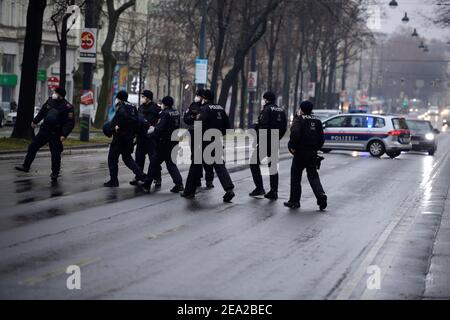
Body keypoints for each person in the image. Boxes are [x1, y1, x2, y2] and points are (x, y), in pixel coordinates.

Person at [181, 89, 235, 203]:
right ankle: (229, 189)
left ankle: (189, 191)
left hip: (204, 142)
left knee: (195, 165)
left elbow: (198, 126)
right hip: (216, 140)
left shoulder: (204, 109)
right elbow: (228, 128)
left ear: (204, 98)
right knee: (220, 166)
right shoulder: (220, 108)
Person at [15, 87, 75, 182]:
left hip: (56, 133)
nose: (53, 93)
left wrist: (64, 134)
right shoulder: (50, 101)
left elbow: (70, 123)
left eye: (55, 92)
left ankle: (55, 173)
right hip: (44, 130)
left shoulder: (68, 107)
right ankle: (26, 166)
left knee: (55, 153)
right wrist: (35, 121)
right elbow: (42, 112)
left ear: (60, 95)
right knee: (32, 147)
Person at [284, 101, 327, 210]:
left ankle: (294, 201)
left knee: (295, 176)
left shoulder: (299, 119)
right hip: (312, 153)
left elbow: (295, 134)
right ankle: (320, 195)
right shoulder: (317, 120)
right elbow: (321, 139)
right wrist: (315, 148)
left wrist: (293, 146)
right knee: (313, 175)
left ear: (301, 109)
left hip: (300, 152)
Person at [249, 91, 287, 200]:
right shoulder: (281, 110)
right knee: (273, 166)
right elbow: (284, 127)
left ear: (266, 99)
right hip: (275, 140)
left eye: (263, 99)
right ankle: (274, 191)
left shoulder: (266, 110)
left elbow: (263, 126)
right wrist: (278, 137)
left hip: (265, 140)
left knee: (253, 162)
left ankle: (259, 188)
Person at [104, 90, 146, 188]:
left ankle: (114, 181)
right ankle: (141, 175)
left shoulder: (121, 106)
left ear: (118, 98)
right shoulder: (133, 106)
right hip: (129, 137)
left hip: (119, 137)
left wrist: (114, 127)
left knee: (112, 158)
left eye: (116, 98)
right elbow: (137, 121)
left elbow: (119, 118)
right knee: (127, 158)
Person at [142, 96, 184, 193]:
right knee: (171, 164)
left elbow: (160, 128)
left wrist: (152, 135)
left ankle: (147, 184)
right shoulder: (176, 112)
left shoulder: (164, 114)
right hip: (173, 142)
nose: (161, 105)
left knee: (153, 163)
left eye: (162, 103)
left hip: (163, 143)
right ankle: (179, 184)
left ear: (165, 104)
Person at [183, 89, 215, 189]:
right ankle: (197, 179)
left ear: (203, 97)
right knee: (195, 158)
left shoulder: (208, 107)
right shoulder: (193, 105)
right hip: (194, 134)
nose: (196, 97)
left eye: (198, 95)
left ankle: (209, 180)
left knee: (207, 158)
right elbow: (186, 118)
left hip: (206, 135)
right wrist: (193, 117)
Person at [130, 90, 162, 187]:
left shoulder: (156, 108)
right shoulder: (140, 108)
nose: (142, 98)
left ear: (148, 97)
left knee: (153, 159)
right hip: (141, 136)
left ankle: (157, 177)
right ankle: (138, 176)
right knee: (139, 157)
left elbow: (158, 122)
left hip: (151, 138)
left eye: (143, 96)